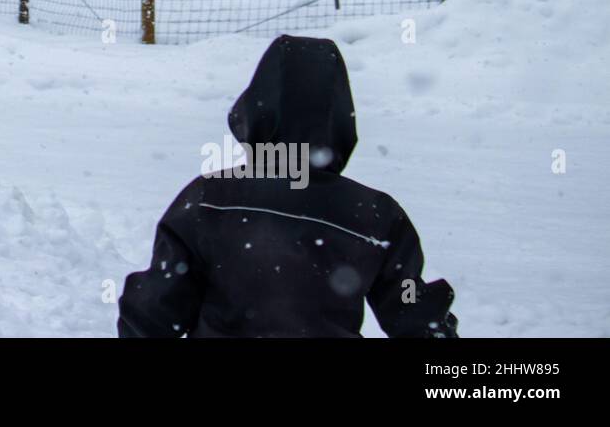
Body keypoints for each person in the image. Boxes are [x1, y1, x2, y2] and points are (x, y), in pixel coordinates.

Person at [118, 35, 459, 338]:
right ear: (339, 116)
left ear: (255, 108)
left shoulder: (209, 198)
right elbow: (412, 307)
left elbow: (154, 308)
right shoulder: (375, 214)